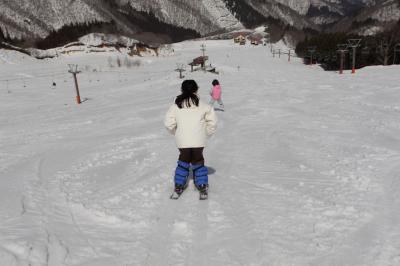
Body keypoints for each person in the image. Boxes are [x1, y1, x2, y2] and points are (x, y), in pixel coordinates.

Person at [164, 80, 217, 196]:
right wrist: (206, 133)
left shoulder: (175, 106)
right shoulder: (204, 105)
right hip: (199, 141)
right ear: (196, 89)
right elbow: (212, 123)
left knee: (183, 161)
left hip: (182, 141)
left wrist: (176, 132)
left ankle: (178, 185)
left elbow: (168, 124)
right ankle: (202, 184)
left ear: (182, 90)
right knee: (198, 160)